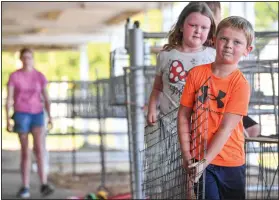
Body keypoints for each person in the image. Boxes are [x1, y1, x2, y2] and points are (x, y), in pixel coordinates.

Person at [178, 16, 254, 199]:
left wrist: (204, 161)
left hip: (231, 161)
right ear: (214, 40)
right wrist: (187, 155)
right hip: (199, 159)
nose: (229, 45)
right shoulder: (197, 74)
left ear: (247, 50)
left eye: (237, 42)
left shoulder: (240, 83)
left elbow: (226, 128)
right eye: (224, 39)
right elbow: (183, 116)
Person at [145, 2, 216, 199]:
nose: (198, 31)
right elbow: (157, 87)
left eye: (204, 27)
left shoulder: (212, 55)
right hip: (169, 125)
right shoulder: (167, 55)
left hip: (201, 125)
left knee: (194, 176)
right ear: (182, 25)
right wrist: (152, 107)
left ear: (210, 30)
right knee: (173, 175)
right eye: (193, 25)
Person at [205, 1, 261, 138]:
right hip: (214, 97)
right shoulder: (213, 41)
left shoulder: (225, 31)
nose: (228, 45)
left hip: (227, 93)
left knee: (252, 128)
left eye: (236, 42)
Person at [6, 48, 54, 198]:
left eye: (29, 57)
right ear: (21, 59)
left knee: (39, 149)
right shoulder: (14, 76)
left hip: (37, 114)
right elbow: (9, 98)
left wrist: (50, 116)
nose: (27, 60)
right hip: (21, 114)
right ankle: (25, 186)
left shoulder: (39, 76)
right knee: (25, 151)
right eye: (24, 58)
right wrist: (7, 118)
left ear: (33, 59)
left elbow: (46, 97)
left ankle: (44, 183)